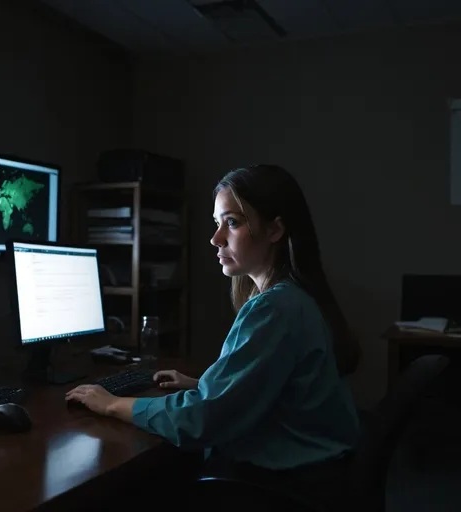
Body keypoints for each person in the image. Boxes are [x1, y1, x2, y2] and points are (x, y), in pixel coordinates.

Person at [66, 164, 361, 505]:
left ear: (275, 229)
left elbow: (199, 421)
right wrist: (206, 386)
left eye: (232, 223)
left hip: (289, 486)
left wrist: (113, 403)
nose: (215, 238)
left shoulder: (274, 309)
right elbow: (278, 386)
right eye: (216, 223)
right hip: (322, 475)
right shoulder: (295, 298)